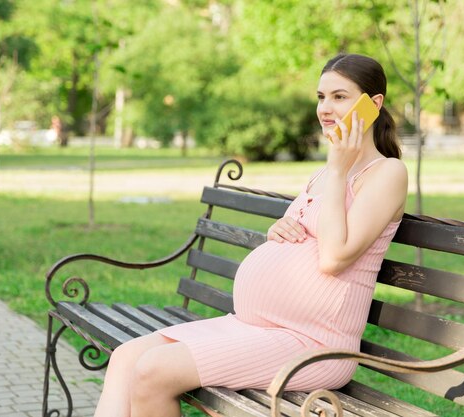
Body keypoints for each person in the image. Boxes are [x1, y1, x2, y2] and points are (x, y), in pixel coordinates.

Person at [93, 53, 408, 417]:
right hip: (257, 329)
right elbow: (309, 231)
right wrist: (279, 230)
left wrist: (338, 170)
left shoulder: (385, 173)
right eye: (321, 97)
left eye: (339, 97)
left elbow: (334, 257)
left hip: (315, 345)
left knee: (152, 371)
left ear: (374, 105)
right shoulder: (324, 175)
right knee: (126, 357)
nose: (325, 108)